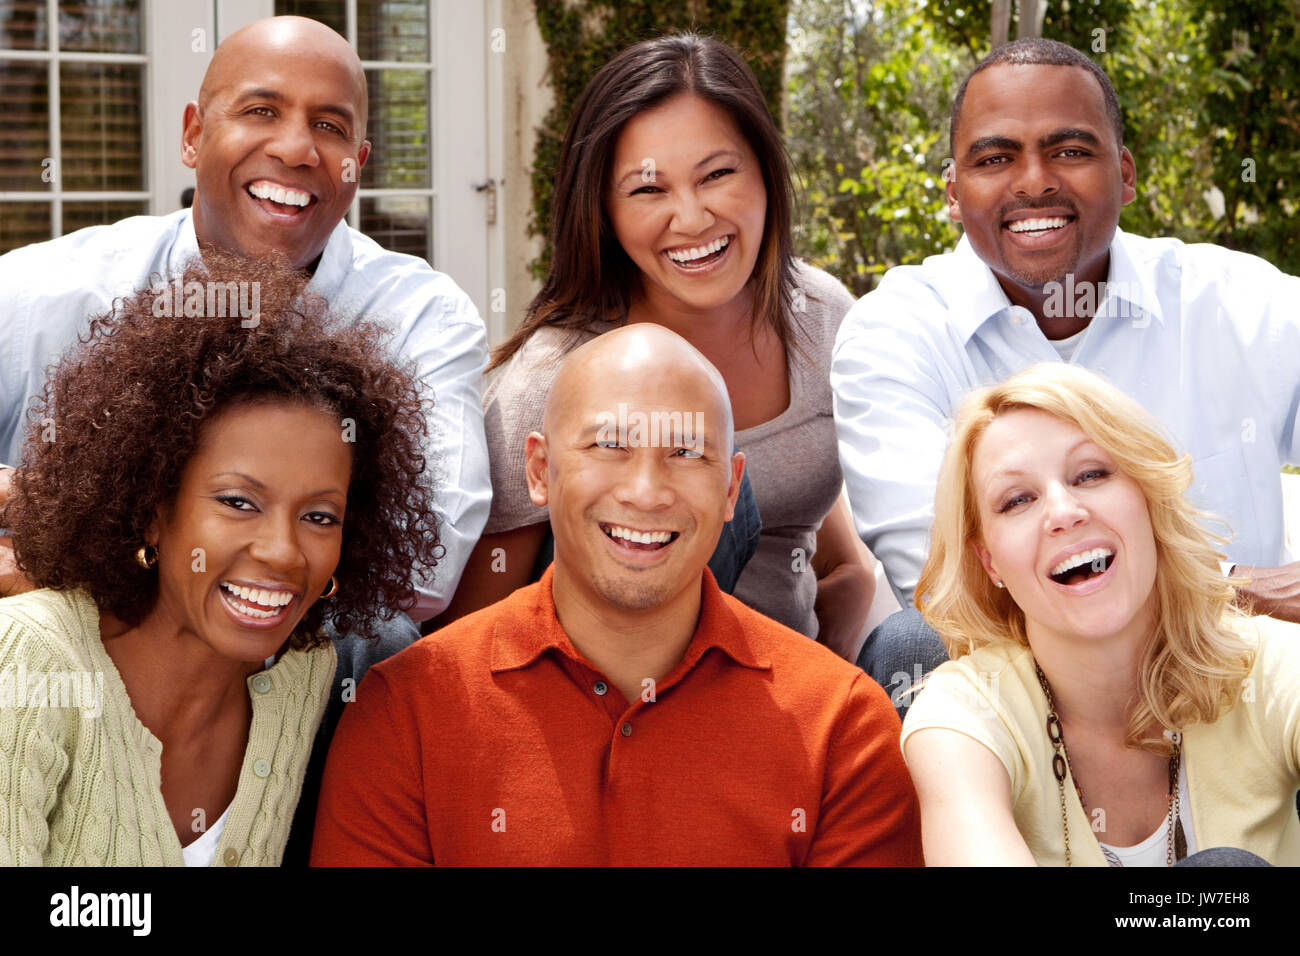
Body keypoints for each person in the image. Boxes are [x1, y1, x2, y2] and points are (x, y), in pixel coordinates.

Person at [311, 324, 921, 866]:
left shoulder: (842, 724)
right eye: (610, 446)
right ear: (540, 471)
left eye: (685, 452)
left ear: (732, 489)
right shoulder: (406, 711)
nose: (646, 491)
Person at [833, 38, 1300, 698]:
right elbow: (948, 586)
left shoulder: (1236, 301)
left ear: (1127, 173)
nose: (1034, 181)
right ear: (952, 193)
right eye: (995, 159)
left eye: (1071, 151)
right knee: (914, 644)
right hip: (1029, 701)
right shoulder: (898, 331)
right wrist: (1233, 588)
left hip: (1232, 689)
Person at [0, 15, 490, 624]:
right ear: (192, 135)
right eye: (261, 110)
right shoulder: (36, 293)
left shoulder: (423, 319)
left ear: (356, 163)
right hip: (64, 667)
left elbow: (420, 569)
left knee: (379, 641)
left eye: (328, 126)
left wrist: (61, 538)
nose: (295, 148)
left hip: (303, 663)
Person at [0, 253, 441, 865]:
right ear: (152, 504)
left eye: (320, 516)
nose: (284, 552)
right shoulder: (28, 662)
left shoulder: (300, 676)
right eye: (238, 501)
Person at [441, 33, 873, 652]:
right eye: (649, 189)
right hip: (603, 701)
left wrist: (848, 594)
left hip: (781, 698)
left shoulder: (820, 316)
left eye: (718, 174)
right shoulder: (554, 374)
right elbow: (471, 635)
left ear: (766, 174)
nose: (692, 219)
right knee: (682, 457)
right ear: (604, 211)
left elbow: (824, 540)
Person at [901, 362, 1297, 867]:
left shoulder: (1268, 665)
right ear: (990, 562)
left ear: (1149, 499)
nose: (1064, 512)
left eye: (1091, 474)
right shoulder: (963, 714)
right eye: (1018, 500)